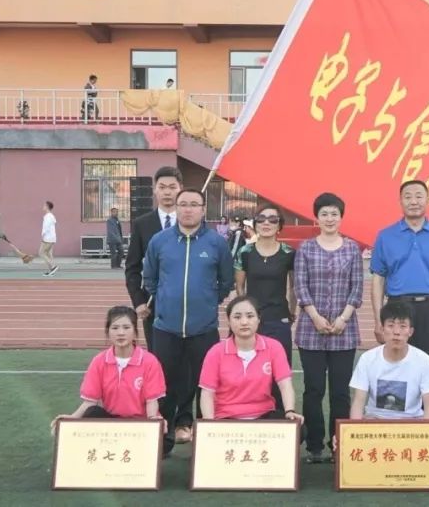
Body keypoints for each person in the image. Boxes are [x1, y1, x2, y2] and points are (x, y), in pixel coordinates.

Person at [143, 188, 234, 455]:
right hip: (166, 328)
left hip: (203, 328)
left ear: (204, 209)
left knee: (206, 384)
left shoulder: (216, 243)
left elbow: (225, 281)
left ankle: (205, 442)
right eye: (183, 204)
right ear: (176, 208)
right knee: (164, 385)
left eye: (194, 204)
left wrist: (206, 302)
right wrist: (164, 299)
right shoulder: (159, 241)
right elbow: (150, 278)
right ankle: (164, 440)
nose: (188, 209)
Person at [369, 179, 429, 425]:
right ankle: (398, 431)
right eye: (408, 196)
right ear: (400, 201)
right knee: (395, 371)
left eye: (419, 196)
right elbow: (378, 279)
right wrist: (379, 319)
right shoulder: (386, 236)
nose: (413, 201)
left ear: (428, 200)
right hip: (397, 307)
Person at [294, 192, 363, 464]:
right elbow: (301, 286)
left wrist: (343, 318)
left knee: (340, 391)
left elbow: (357, 287)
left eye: (334, 213)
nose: (329, 218)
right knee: (313, 390)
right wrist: (315, 317)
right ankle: (314, 446)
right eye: (324, 213)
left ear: (341, 217)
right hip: (311, 331)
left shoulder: (352, 248)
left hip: (344, 332)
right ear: (316, 217)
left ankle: (338, 445)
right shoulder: (306, 249)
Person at [50, 306, 165, 432]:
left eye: (126, 327)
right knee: (92, 413)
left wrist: (153, 422)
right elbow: (90, 402)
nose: (121, 333)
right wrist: (72, 418)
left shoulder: (149, 361)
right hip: (111, 423)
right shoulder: (99, 361)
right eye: (115, 328)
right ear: (108, 331)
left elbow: (151, 402)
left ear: (135, 331)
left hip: (140, 424)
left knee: (165, 441)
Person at [199, 296, 303, 423]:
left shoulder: (274, 347)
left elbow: (285, 384)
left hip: (264, 416)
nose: (244, 322)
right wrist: (210, 423)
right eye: (237, 317)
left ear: (259, 319)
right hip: (226, 418)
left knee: (297, 430)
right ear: (228, 321)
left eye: (250, 316)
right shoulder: (215, 352)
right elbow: (207, 393)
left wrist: (290, 411)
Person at [234, 203, 296, 415]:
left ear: (280, 225)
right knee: (249, 370)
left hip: (279, 319)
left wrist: (291, 312)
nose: (266, 223)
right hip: (252, 321)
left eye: (272, 219)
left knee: (280, 371)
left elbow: (293, 287)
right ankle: (248, 412)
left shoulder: (289, 253)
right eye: (261, 219)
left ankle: (280, 415)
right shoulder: (245, 252)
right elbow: (240, 287)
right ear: (255, 223)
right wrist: (244, 316)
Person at [349, 301, 429, 421]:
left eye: (403, 326)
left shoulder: (424, 361)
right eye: (391, 325)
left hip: (411, 423)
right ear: (382, 329)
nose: (396, 332)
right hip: (375, 423)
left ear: (411, 331)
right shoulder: (367, 359)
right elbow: (358, 403)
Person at [125, 166, 182, 351]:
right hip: (153, 304)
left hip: (186, 302)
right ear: (155, 190)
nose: (167, 192)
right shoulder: (142, 224)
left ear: (180, 189)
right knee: (158, 356)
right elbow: (132, 267)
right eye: (162, 187)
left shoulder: (192, 223)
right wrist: (139, 301)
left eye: (172, 187)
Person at [39, 201, 58, 277]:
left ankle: (53, 267)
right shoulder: (51, 216)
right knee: (49, 254)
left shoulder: (48, 216)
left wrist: (43, 235)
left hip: (48, 238)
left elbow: (46, 228)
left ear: (47, 207)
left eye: (44, 205)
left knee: (41, 253)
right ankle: (51, 270)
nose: (43, 206)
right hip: (51, 238)